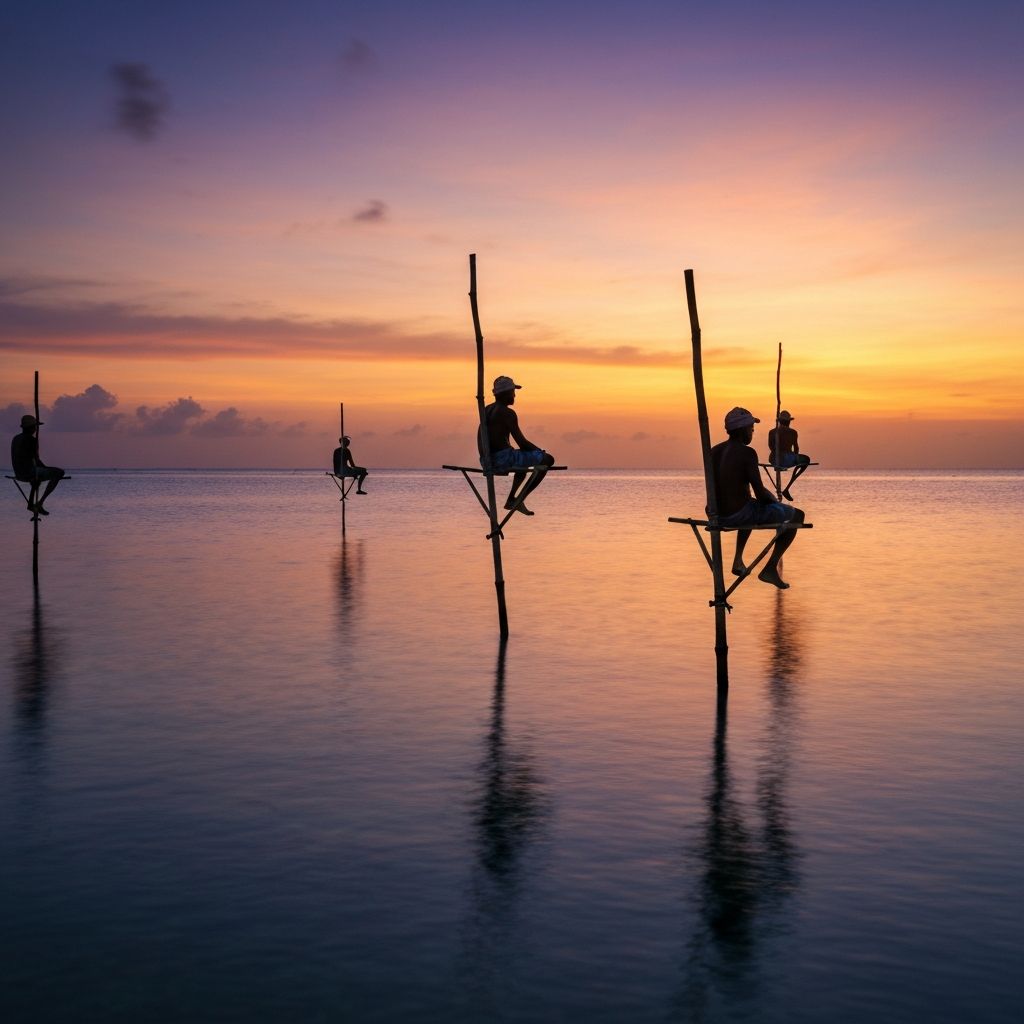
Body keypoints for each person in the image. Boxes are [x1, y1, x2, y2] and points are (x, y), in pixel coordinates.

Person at [711, 407, 804, 589]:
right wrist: (775, 502)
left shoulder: (714, 451)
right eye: (751, 429)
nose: (752, 433)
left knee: (750, 504)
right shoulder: (748, 453)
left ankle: (738, 560)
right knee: (797, 516)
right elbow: (760, 493)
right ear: (743, 429)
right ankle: (770, 569)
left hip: (717, 514)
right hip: (738, 515)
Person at [480, 375, 555, 516]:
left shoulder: (486, 410)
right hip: (502, 459)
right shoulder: (507, 413)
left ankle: (511, 499)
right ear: (505, 393)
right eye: (512, 392)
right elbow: (522, 442)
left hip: (487, 459)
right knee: (548, 460)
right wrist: (540, 452)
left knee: (523, 458)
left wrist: (486, 459)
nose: (514, 395)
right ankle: (519, 499)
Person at [10, 414, 64, 515]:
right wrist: (46, 469)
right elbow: (36, 459)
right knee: (59, 472)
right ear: (31, 428)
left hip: (19, 472)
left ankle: (31, 504)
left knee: (36, 480)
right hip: (28, 472)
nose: (35, 429)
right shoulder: (31, 440)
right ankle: (40, 502)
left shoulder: (16, 438)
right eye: (34, 427)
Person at [766, 410, 811, 500]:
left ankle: (786, 489)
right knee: (806, 459)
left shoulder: (772, 432)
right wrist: (795, 458)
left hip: (773, 458)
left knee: (795, 459)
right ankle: (787, 488)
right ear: (789, 421)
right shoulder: (793, 432)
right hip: (785, 458)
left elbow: (770, 447)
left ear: (779, 421)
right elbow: (796, 448)